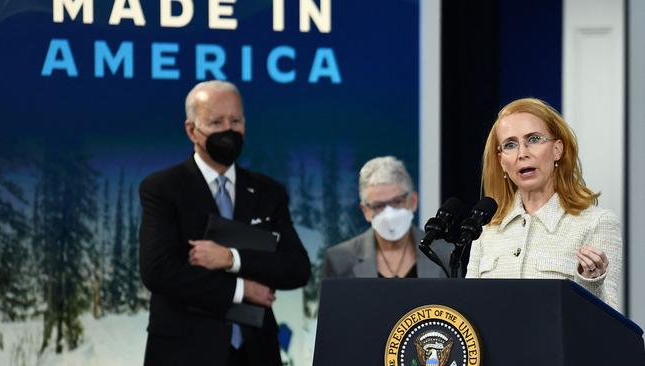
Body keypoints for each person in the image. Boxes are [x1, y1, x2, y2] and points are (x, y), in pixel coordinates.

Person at [139, 80, 311, 366]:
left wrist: (231, 259)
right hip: (185, 351)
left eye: (235, 120)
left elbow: (297, 268)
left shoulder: (269, 191)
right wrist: (243, 291)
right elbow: (159, 271)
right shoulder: (162, 188)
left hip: (256, 352)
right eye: (216, 122)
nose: (228, 130)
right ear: (192, 130)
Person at [466, 98, 622, 310]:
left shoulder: (596, 223)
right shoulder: (486, 230)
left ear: (557, 150)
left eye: (534, 139)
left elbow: (609, 323)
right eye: (510, 145)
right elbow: (469, 311)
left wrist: (591, 282)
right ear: (502, 162)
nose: (522, 153)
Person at [322, 156, 450, 279]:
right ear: (365, 210)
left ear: (413, 201)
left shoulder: (445, 253)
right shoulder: (339, 259)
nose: (389, 213)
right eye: (379, 206)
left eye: (397, 201)